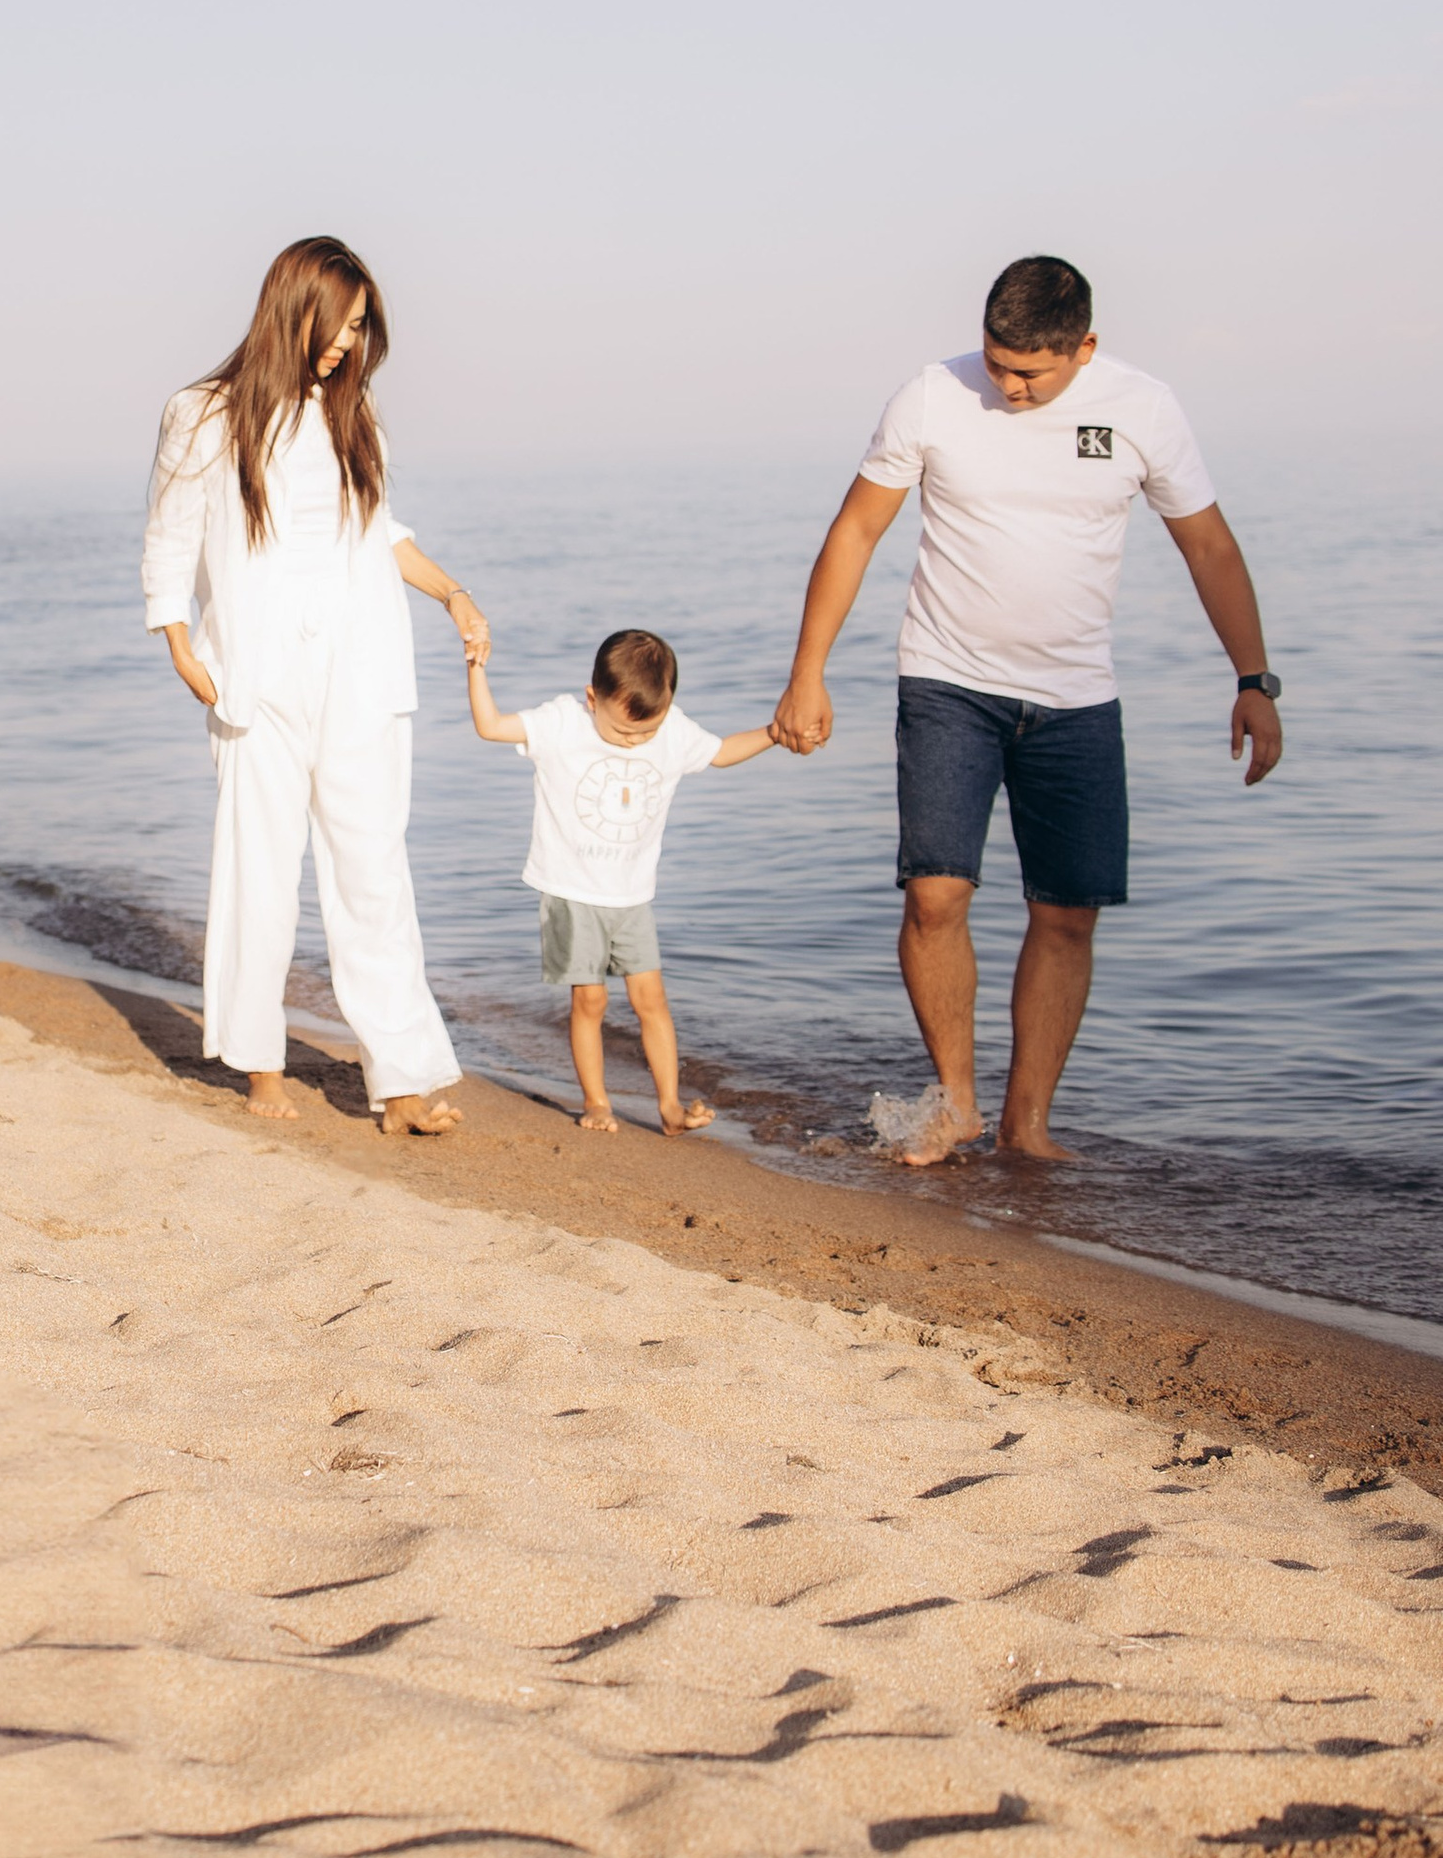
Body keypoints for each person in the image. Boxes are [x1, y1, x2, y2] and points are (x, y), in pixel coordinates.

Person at [770, 254, 1282, 1166]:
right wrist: (808, 672)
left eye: (1030, 373)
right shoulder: (930, 397)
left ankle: (1026, 1125)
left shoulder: (1144, 409)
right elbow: (855, 529)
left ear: (1085, 348)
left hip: (1078, 700)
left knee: (1067, 914)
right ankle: (957, 1104)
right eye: (996, 363)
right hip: (945, 682)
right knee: (936, 894)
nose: (1006, 385)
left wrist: (1254, 678)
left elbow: (1207, 547)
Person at [143, 235, 485, 1134]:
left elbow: (382, 530)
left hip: (362, 668)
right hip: (254, 676)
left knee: (373, 873)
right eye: (341, 323)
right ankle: (260, 1063)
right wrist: (180, 646)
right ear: (294, 307)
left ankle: (401, 1082)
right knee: (258, 871)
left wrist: (453, 592)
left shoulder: (351, 412)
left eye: (362, 326)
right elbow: (170, 539)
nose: (348, 342)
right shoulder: (202, 412)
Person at [465, 623, 784, 1135]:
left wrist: (774, 733)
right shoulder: (564, 722)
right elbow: (491, 726)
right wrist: (476, 668)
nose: (635, 741)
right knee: (590, 1000)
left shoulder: (673, 729)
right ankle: (596, 1101)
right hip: (572, 891)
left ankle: (671, 1107)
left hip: (633, 896)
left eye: (646, 732)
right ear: (593, 698)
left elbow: (721, 752)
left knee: (651, 1002)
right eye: (622, 731)